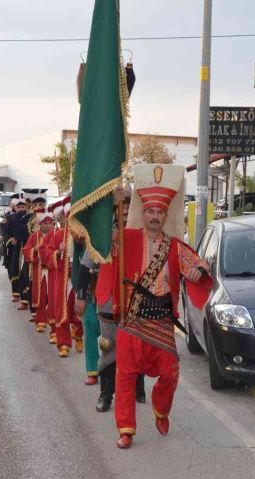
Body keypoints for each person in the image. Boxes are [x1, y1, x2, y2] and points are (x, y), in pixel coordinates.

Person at [111, 164, 212, 450]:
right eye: (150, 212)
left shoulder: (175, 246)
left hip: (162, 322)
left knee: (169, 374)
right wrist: (113, 205)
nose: (155, 217)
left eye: (160, 213)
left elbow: (201, 264)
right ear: (142, 214)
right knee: (126, 376)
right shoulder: (126, 237)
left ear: (166, 216)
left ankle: (161, 409)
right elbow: (106, 246)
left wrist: (198, 272)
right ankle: (126, 428)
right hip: (132, 319)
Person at [75, 188, 145, 410]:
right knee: (108, 345)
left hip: (135, 300)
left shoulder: (143, 235)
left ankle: (138, 386)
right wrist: (81, 296)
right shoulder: (103, 235)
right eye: (119, 209)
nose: (123, 214)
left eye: (127, 208)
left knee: (137, 346)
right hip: (107, 297)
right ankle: (106, 394)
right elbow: (86, 267)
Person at [45, 197, 83, 357]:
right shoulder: (58, 234)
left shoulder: (83, 234)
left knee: (79, 310)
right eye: (67, 216)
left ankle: (79, 334)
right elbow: (47, 253)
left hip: (80, 279)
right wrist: (58, 252)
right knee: (63, 310)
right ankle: (64, 343)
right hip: (64, 279)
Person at [23, 206, 53, 332]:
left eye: (50, 223)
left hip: (52, 270)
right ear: (40, 224)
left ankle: (52, 320)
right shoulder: (34, 236)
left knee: (52, 296)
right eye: (45, 223)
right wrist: (34, 250)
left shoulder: (55, 235)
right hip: (39, 270)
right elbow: (25, 250)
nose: (47, 226)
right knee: (40, 295)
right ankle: (40, 320)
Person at [4, 198, 31, 307]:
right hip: (14, 248)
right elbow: (5, 232)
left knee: (24, 271)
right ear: (15, 208)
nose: (20, 209)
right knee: (14, 269)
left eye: (23, 207)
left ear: (26, 207)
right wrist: (11, 239)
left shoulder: (30, 218)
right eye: (18, 207)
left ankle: (25, 298)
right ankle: (16, 294)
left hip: (27, 246)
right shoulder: (11, 218)